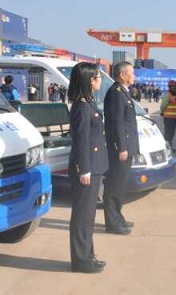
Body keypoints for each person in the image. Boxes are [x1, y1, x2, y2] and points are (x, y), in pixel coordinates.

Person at [67, 62, 108, 273]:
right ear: (89, 80)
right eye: (97, 77)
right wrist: (84, 169)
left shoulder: (89, 103)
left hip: (95, 166)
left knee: (88, 215)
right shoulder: (82, 108)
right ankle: (81, 260)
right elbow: (81, 142)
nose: (100, 80)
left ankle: (88, 255)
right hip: (87, 168)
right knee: (83, 216)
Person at [103, 61, 138, 235]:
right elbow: (116, 123)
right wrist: (121, 147)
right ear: (123, 75)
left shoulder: (123, 92)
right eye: (132, 73)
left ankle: (117, 217)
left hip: (126, 146)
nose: (134, 76)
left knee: (120, 185)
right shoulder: (116, 93)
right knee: (114, 185)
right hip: (121, 148)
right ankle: (112, 223)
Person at [160, 80, 176, 151]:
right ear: (169, 87)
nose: (173, 88)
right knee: (168, 133)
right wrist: (162, 112)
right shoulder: (167, 95)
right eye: (172, 86)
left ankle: (169, 146)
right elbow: (163, 106)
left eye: (174, 86)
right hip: (168, 118)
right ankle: (166, 148)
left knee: (172, 133)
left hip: (174, 118)